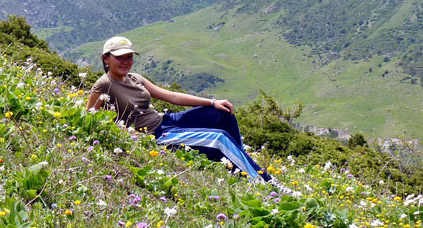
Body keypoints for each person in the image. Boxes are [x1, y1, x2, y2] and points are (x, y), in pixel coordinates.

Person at [86, 36, 289, 191]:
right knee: (218, 138)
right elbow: (90, 118)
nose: (125, 61)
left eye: (129, 57)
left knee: (222, 114)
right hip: (154, 135)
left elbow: (171, 97)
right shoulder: (104, 84)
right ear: (106, 59)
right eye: (119, 57)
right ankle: (268, 185)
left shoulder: (135, 78)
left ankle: (241, 164)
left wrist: (212, 102)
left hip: (166, 121)